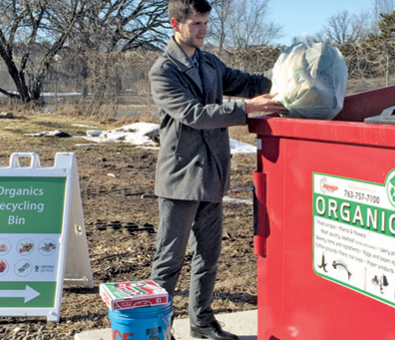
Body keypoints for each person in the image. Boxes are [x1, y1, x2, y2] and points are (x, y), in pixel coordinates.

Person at [148, 1, 285, 339]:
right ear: (175, 23)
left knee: (208, 257)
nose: (203, 30)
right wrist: (246, 110)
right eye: (196, 23)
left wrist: (289, 81)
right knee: (169, 262)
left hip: (212, 176)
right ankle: (155, 328)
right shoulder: (163, 70)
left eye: (206, 23)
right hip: (180, 179)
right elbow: (195, 115)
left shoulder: (209, 62)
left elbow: (247, 82)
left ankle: (203, 323)